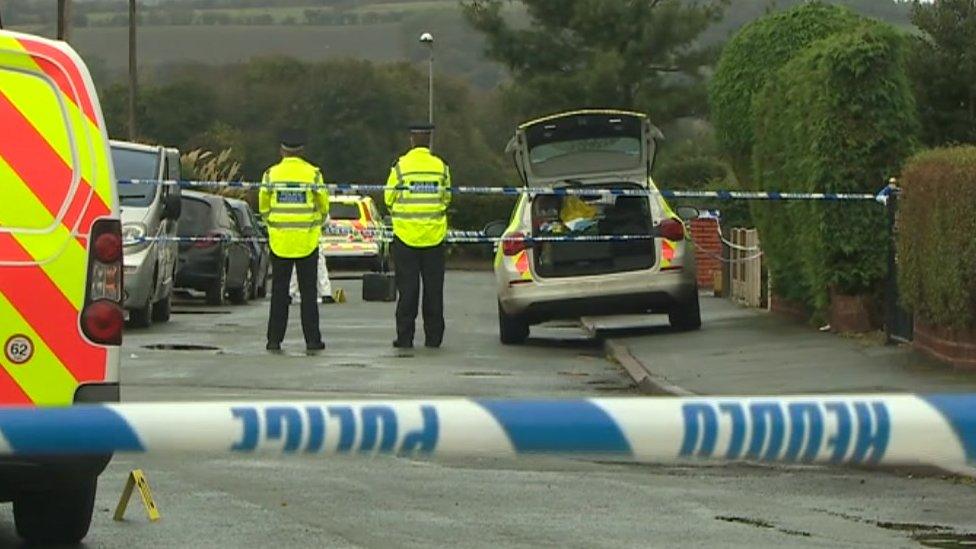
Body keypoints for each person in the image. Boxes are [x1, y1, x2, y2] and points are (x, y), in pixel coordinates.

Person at [259, 129, 329, 353]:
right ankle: (312, 340)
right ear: (302, 151)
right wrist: (313, 223)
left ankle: (274, 340)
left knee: (279, 294)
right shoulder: (313, 174)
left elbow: (263, 207)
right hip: (306, 242)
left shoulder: (271, 175)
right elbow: (324, 206)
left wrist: (275, 226)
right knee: (308, 295)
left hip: (280, 242)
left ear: (282, 150)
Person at [384, 124, 452, 349]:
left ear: (411, 139)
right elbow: (447, 198)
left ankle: (405, 337)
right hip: (434, 237)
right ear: (429, 140)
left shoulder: (401, 167)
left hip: (406, 237)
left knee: (408, 290)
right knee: (434, 290)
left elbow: (388, 198)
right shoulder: (441, 167)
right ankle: (434, 337)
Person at [289, 224, 333, 304]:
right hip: (312, 238)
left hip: (296, 237)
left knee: (295, 266)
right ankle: (325, 293)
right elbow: (325, 218)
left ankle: (290, 293)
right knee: (320, 266)